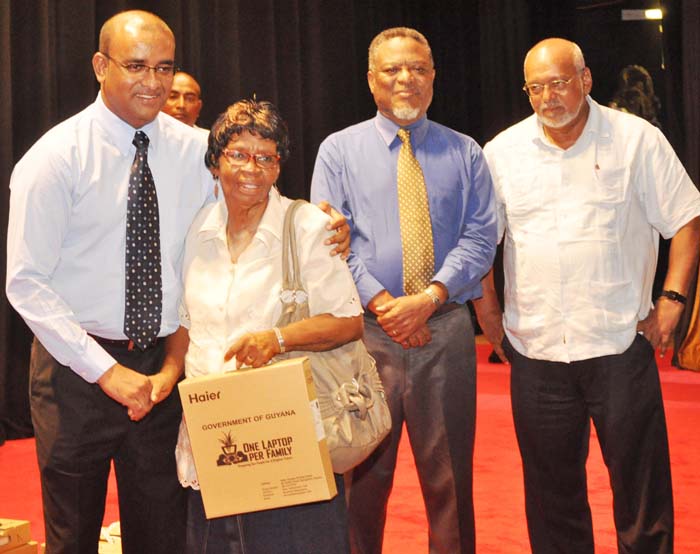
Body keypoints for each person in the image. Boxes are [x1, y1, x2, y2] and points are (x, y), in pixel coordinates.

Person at [5, 10, 349, 554]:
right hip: (75, 370)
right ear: (100, 65)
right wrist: (105, 372)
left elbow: (248, 208)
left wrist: (318, 223)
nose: (153, 81)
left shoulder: (196, 151)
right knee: (71, 537)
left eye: (164, 68)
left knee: (165, 535)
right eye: (136, 66)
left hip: (167, 373)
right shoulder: (54, 159)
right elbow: (25, 283)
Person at [475, 38, 700, 553]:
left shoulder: (636, 140)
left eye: (558, 83)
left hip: (620, 345)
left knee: (642, 497)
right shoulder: (501, 152)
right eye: (536, 87)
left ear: (586, 80)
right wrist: (486, 308)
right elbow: (480, 239)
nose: (548, 97)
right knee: (551, 499)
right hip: (536, 353)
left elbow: (686, 217)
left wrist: (672, 299)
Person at [311, 27, 497, 554]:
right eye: (393, 70)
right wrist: (384, 304)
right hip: (366, 335)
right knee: (362, 477)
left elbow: (482, 238)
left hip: (446, 330)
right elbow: (328, 240)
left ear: (433, 77)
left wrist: (429, 297)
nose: (406, 79)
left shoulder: (466, 153)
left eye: (417, 68)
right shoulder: (338, 151)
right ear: (372, 80)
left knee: (451, 482)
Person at [175, 99, 363, 554]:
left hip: (284, 436)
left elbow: (349, 322)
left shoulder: (308, 227)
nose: (251, 169)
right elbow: (186, 324)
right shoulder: (198, 228)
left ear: (278, 167)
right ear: (216, 162)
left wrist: (276, 339)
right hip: (213, 434)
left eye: (266, 157)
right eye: (238, 154)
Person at [162, 70, 209, 135]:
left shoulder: (209, 142)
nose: (181, 105)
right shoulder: (146, 140)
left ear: (199, 107)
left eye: (190, 99)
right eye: (173, 97)